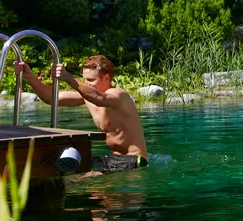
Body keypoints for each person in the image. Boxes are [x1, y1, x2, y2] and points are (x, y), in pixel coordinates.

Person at [15, 55, 148, 172]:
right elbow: (51, 98)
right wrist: (29, 76)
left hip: (134, 160)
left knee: (84, 179)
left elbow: (99, 99)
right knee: (67, 171)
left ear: (106, 78)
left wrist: (69, 78)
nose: (87, 84)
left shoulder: (118, 95)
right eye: (84, 80)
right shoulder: (88, 96)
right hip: (114, 159)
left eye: (91, 80)